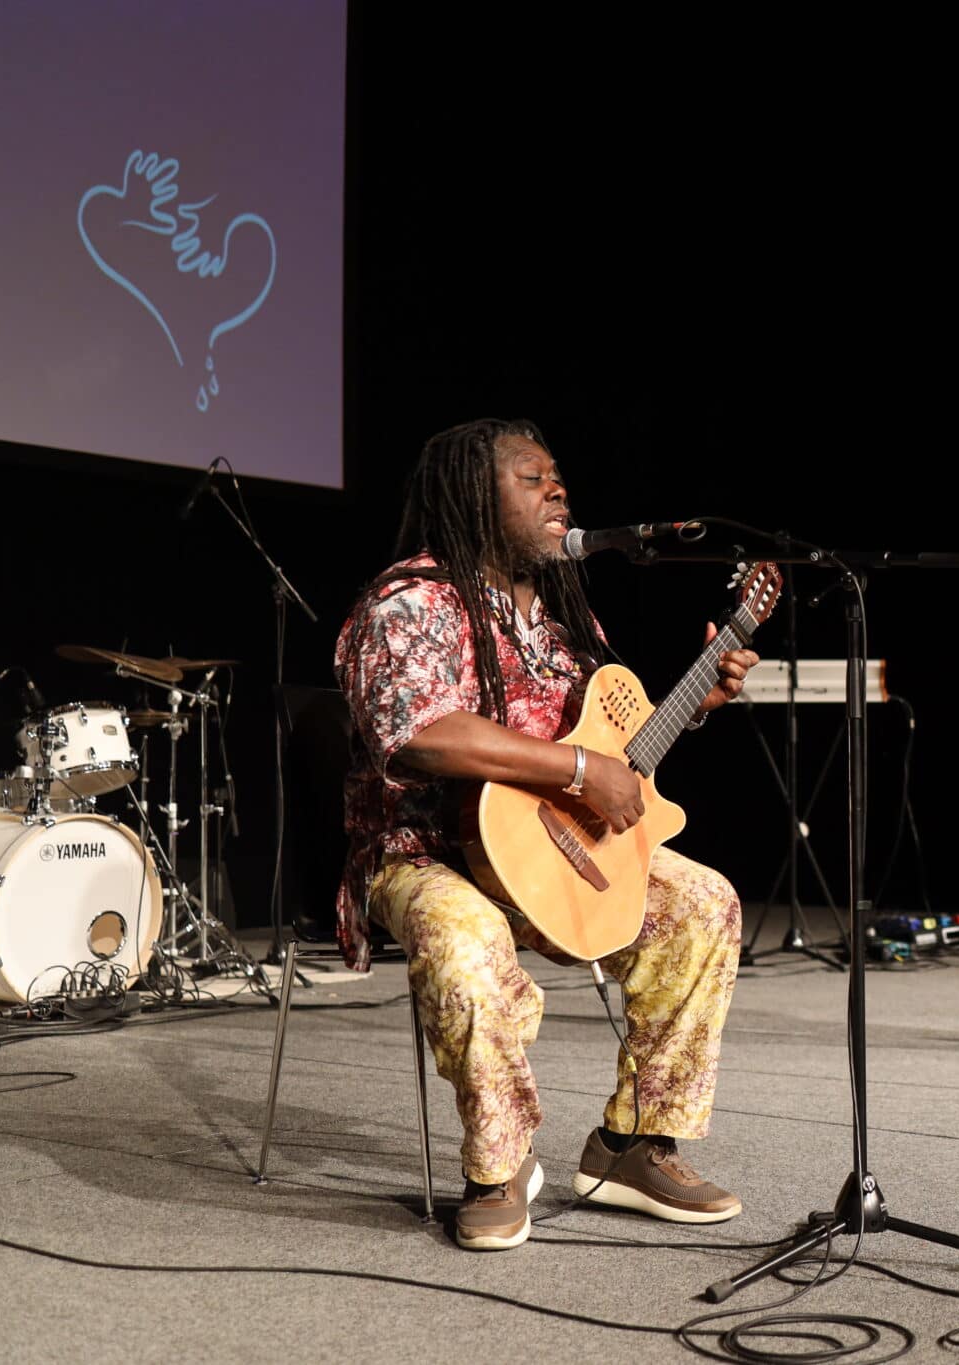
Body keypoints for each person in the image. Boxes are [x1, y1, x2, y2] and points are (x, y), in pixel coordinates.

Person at [334, 418, 759, 1251]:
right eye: (531, 478)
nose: (557, 488)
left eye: (557, 476)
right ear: (472, 495)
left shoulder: (562, 613)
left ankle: (633, 1144)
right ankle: (497, 1165)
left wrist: (694, 704)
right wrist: (576, 768)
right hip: (426, 854)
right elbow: (423, 734)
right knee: (465, 938)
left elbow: (611, 746)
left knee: (705, 902)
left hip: (548, 851)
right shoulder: (409, 602)